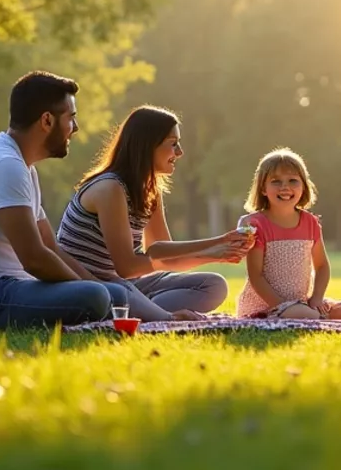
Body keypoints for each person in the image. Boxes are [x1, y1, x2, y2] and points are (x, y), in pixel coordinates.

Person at [0, 71, 136, 329]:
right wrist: (90, 288)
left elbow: (50, 246)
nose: (75, 128)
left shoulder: (23, 166)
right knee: (96, 297)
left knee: (114, 294)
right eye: (71, 118)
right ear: (47, 120)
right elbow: (34, 258)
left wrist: (96, 285)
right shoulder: (5, 165)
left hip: (8, 287)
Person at [55, 105, 250, 315]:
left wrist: (217, 253)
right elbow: (127, 267)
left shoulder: (149, 189)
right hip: (96, 285)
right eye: (173, 144)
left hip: (129, 284)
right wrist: (217, 242)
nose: (180, 152)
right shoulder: (109, 188)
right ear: (147, 146)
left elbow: (167, 257)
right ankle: (151, 313)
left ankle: (144, 311)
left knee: (214, 285)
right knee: (123, 291)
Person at [232, 148, 341, 320]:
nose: (285, 187)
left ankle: (319, 314)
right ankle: (317, 317)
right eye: (276, 181)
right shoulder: (256, 224)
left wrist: (317, 298)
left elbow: (322, 267)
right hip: (267, 305)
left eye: (292, 181)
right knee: (304, 314)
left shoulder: (310, 222)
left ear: (303, 187)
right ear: (263, 189)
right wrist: (282, 306)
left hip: (301, 302)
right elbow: (256, 276)